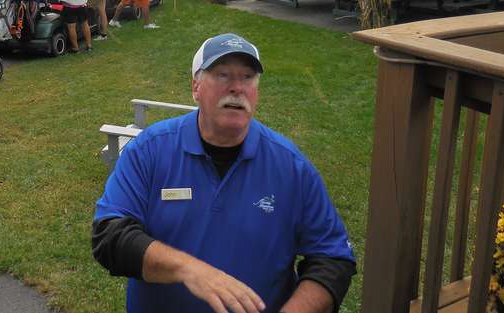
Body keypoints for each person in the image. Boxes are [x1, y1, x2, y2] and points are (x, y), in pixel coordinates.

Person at [93, 33, 356, 313]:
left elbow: (333, 259)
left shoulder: (290, 166)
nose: (236, 88)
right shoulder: (150, 150)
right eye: (222, 75)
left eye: (247, 77)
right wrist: (190, 269)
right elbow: (110, 236)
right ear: (196, 86)